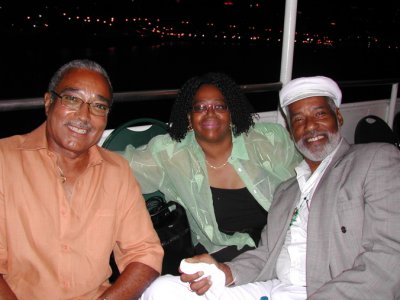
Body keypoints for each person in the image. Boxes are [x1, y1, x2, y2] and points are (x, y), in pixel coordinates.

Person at [139, 75, 400, 299]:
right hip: (276, 287)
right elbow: (266, 255)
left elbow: (389, 261)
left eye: (319, 114)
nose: (309, 126)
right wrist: (223, 272)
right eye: (298, 119)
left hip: (329, 291)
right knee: (162, 290)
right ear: (290, 130)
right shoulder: (287, 191)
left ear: (339, 117)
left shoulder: (373, 160)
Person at [0, 59, 163, 300]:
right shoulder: (5, 161)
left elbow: (145, 253)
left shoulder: (116, 171)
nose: (84, 116)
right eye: (72, 99)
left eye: (98, 106)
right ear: (49, 103)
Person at [123, 72, 301, 264]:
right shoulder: (170, 153)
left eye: (219, 106)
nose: (210, 113)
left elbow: (307, 182)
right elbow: (122, 166)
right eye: (200, 107)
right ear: (189, 118)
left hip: (282, 240)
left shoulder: (270, 140)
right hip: (222, 250)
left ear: (231, 113)